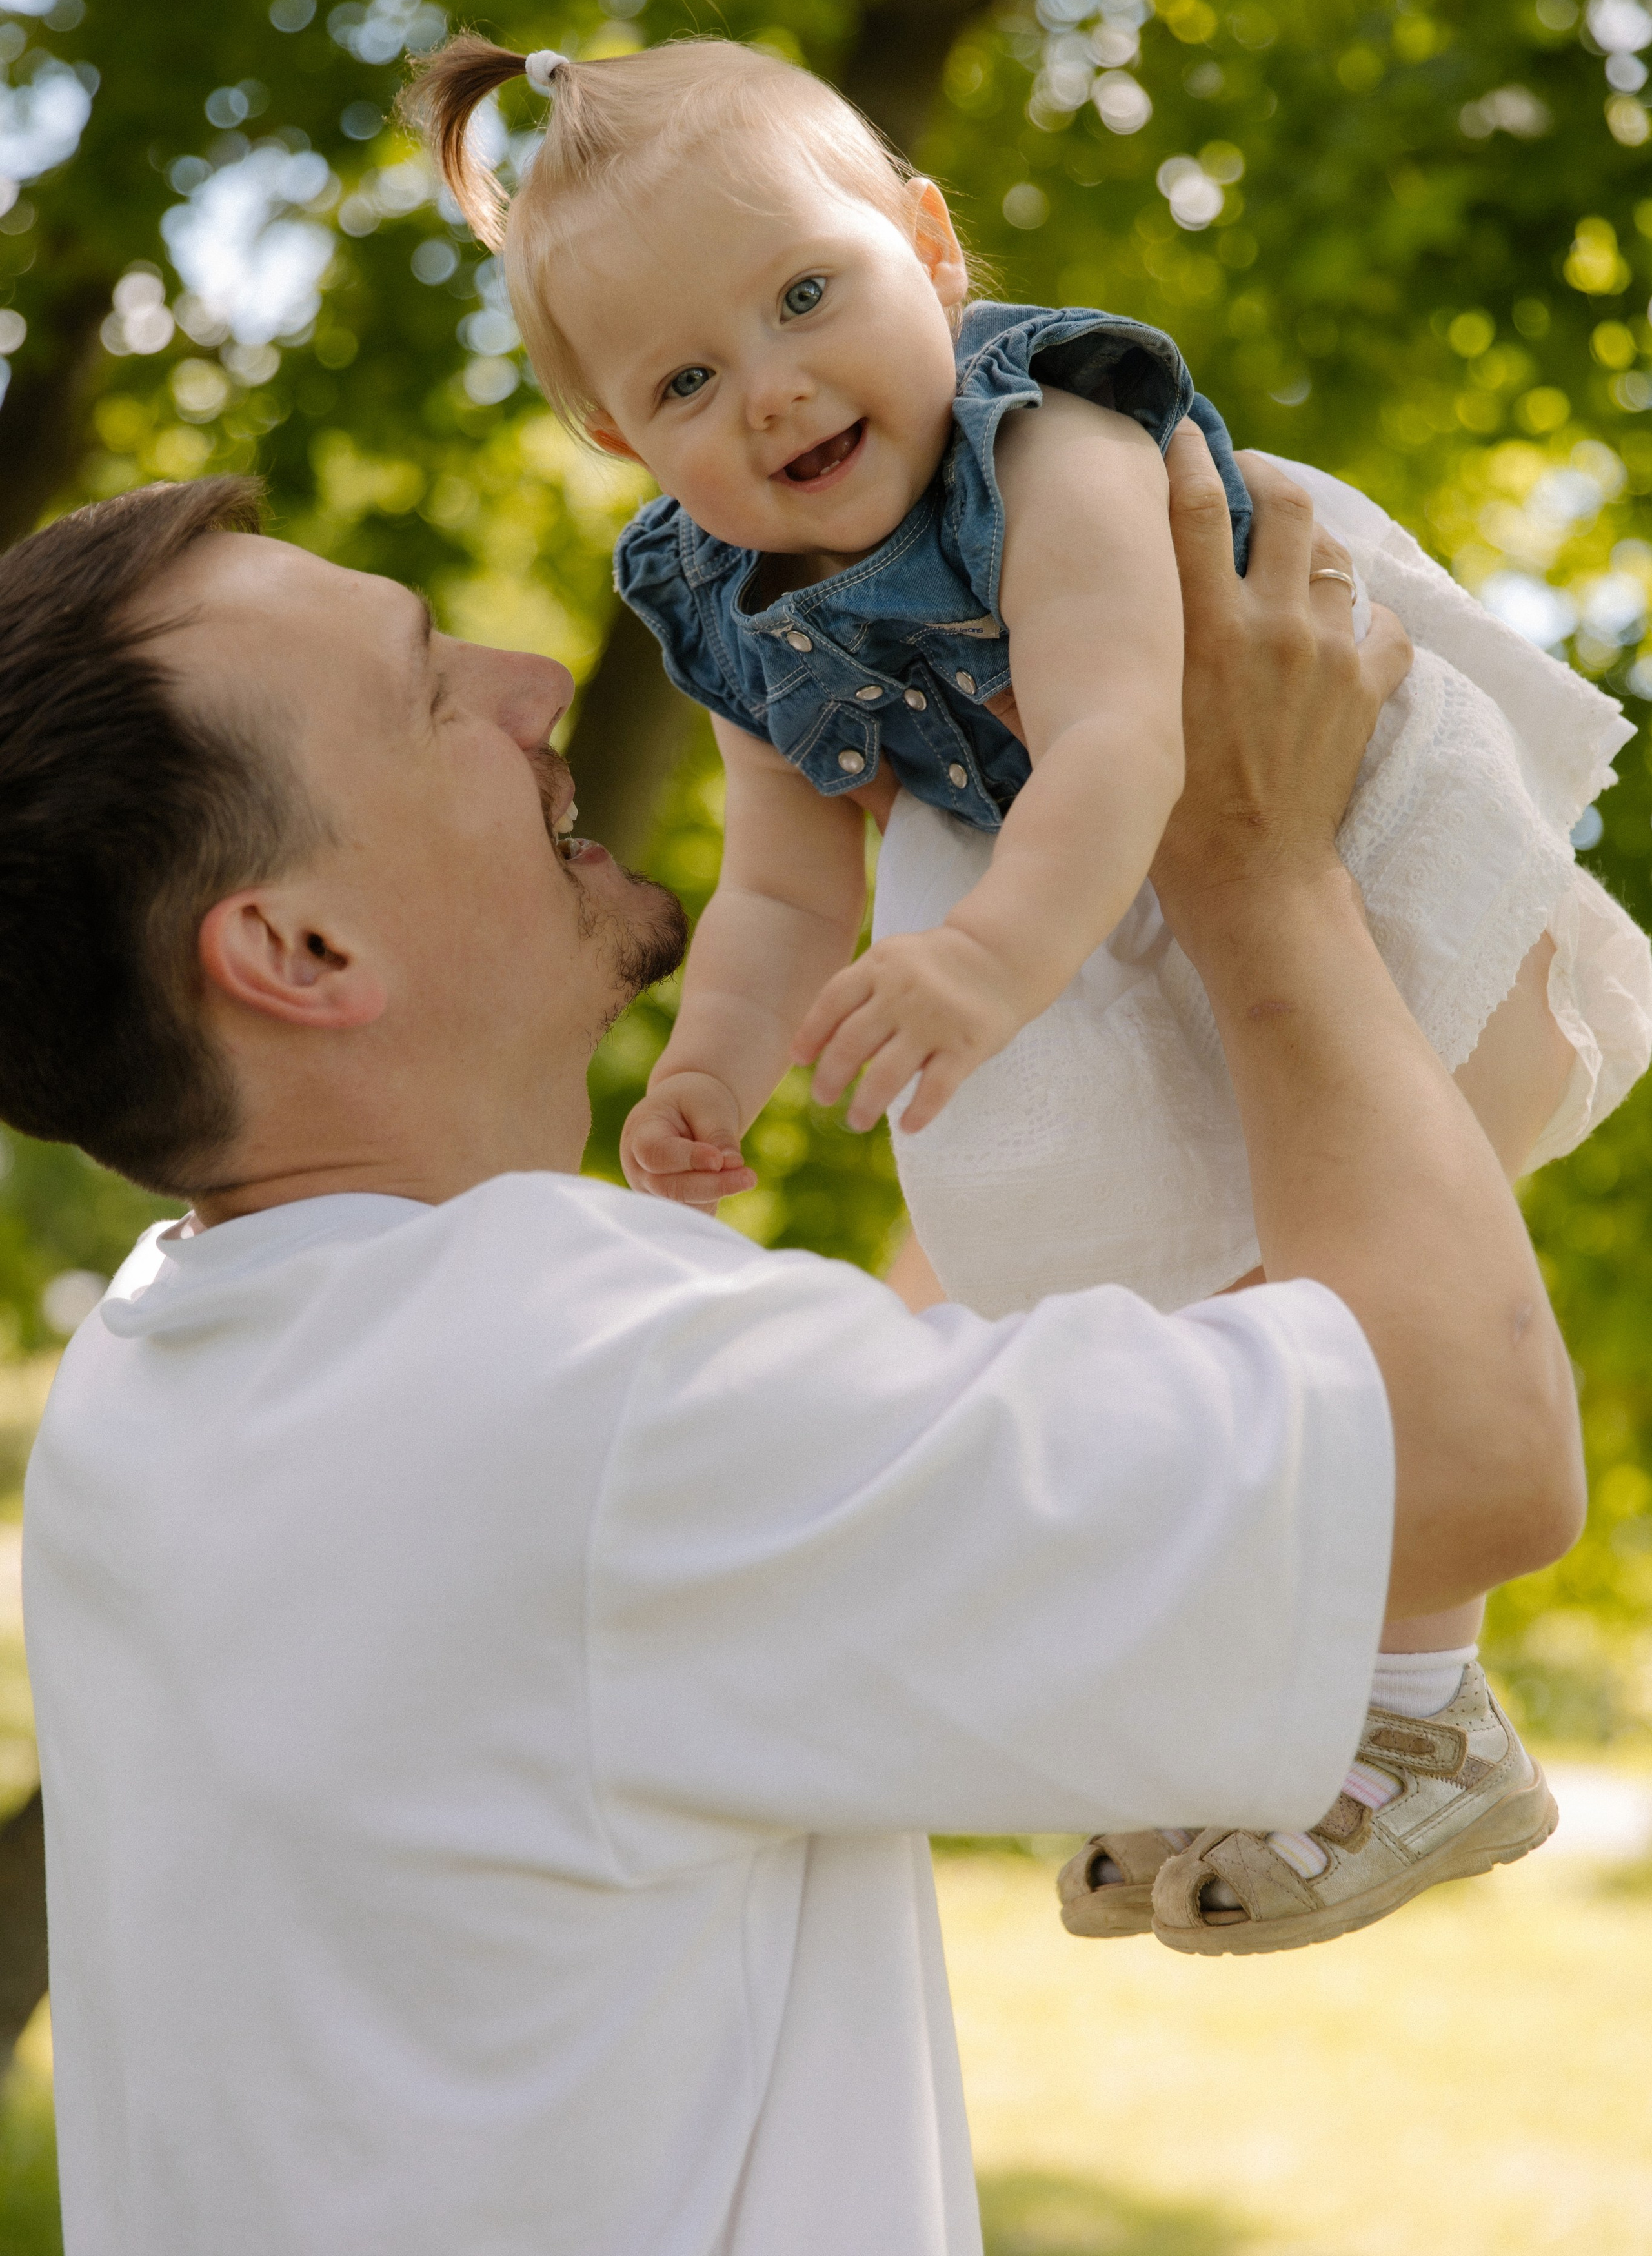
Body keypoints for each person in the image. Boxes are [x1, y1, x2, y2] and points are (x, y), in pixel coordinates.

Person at [8, 445, 1581, 2256]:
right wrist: (1249, 861)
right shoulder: (587, 1401)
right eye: (432, 690)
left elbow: (884, 1445)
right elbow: (1465, 1456)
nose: (537, 686)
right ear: (296, 944)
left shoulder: (164, 1368)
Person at [406, 30, 1650, 1952]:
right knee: (1148, 1283)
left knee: (1345, 1270)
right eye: (686, 381)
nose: (778, 386)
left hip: (1326, 821)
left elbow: (1119, 735)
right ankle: (1274, 1715)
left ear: (929, 242)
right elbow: (780, 877)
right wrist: (714, 1069)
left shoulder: (1050, 438)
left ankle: (1420, 1723)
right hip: (1108, 905)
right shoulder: (722, 599)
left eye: (807, 292)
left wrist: (984, 957)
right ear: (617, 447)